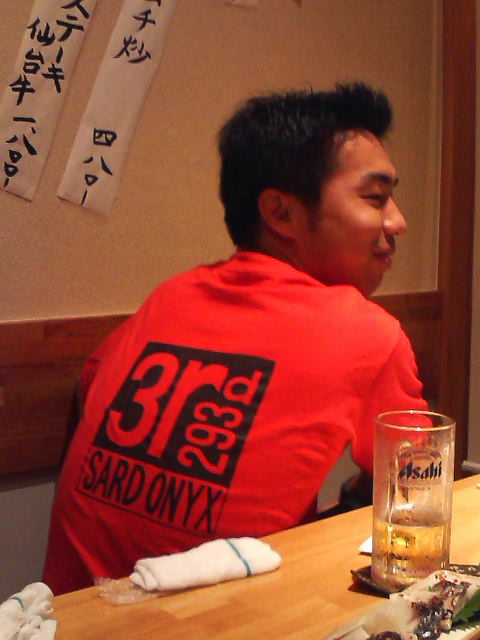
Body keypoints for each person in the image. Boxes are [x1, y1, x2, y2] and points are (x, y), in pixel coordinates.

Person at [43, 82, 427, 595]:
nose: (398, 221)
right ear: (281, 212)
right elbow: (415, 489)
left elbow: (89, 390)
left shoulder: (171, 296)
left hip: (54, 615)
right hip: (210, 623)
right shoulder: (368, 333)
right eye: (376, 198)